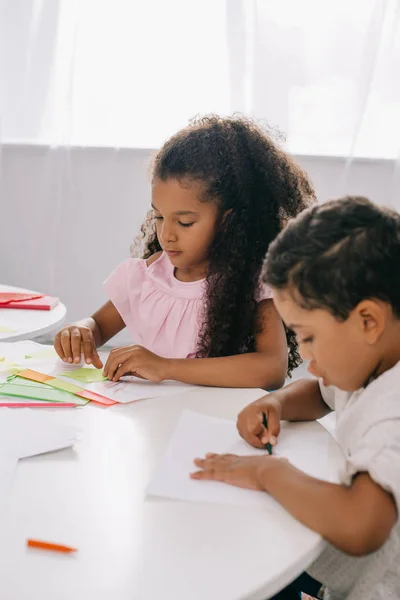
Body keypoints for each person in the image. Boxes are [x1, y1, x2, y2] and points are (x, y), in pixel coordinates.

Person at [191, 196, 400, 598]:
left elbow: (360, 525)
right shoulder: (372, 357)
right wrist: (278, 403)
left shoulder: (393, 409)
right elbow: (322, 394)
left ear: (368, 321)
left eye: (308, 336)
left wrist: (269, 473)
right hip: (342, 568)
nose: (305, 355)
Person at [54, 115, 314, 388]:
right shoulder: (149, 278)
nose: (166, 234)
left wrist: (165, 367)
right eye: (159, 217)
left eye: (185, 222)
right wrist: (81, 331)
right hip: (152, 418)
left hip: (218, 423)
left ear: (229, 221)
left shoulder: (253, 284)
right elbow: (97, 325)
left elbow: (271, 369)